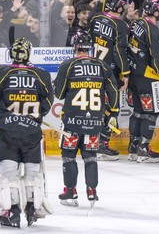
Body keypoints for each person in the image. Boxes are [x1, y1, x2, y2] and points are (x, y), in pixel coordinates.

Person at [0, 37, 54, 228]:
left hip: (6, 132)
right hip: (31, 132)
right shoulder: (42, 74)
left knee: (8, 172)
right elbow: (47, 104)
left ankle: (11, 211)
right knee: (32, 171)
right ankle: (32, 208)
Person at [54, 28, 119, 208]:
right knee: (90, 156)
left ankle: (70, 191)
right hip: (94, 122)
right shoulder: (102, 66)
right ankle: (91, 190)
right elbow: (113, 90)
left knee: (68, 155)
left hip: (72, 121)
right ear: (90, 48)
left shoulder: (68, 65)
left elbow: (58, 94)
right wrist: (113, 112)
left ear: (75, 47)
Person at [126, 0, 159, 163]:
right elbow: (157, 58)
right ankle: (144, 149)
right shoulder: (154, 30)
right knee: (152, 112)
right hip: (148, 77)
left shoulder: (136, 24)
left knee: (138, 111)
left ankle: (133, 147)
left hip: (133, 76)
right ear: (155, 11)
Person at [88, 0, 131, 160]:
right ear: (120, 7)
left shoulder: (95, 18)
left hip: (93, 70)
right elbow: (119, 50)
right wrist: (125, 73)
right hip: (109, 73)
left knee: (96, 108)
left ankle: (92, 142)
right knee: (111, 108)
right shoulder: (119, 25)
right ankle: (102, 144)